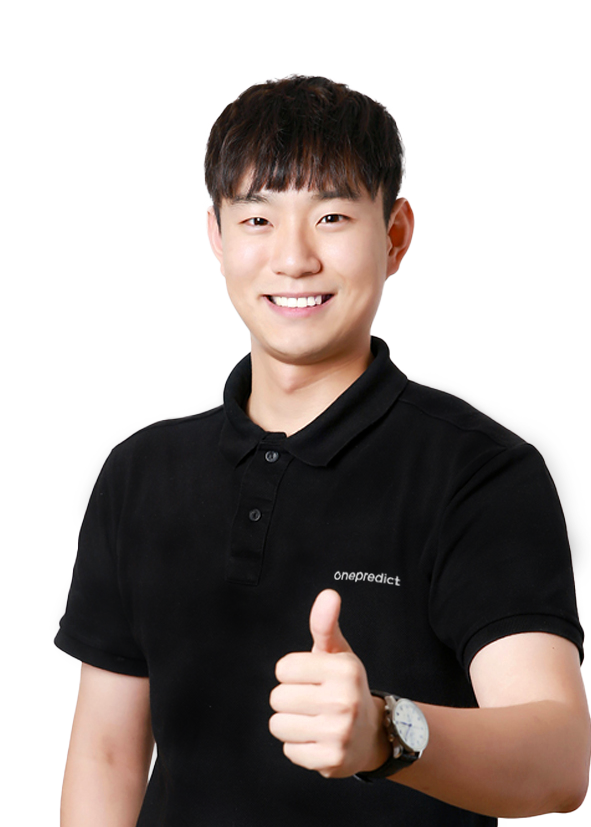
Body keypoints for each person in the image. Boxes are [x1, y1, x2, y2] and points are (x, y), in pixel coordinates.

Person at [55, 74, 590, 826]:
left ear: (394, 235)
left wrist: (384, 732)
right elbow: (106, 756)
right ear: (216, 237)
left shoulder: (481, 472)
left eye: (332, 216)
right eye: (257, 219)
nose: (293, 257)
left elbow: (558, 760)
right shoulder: (140, 474)